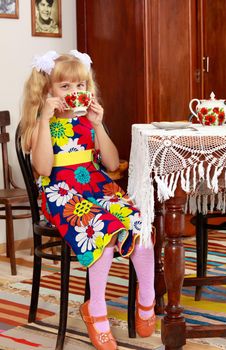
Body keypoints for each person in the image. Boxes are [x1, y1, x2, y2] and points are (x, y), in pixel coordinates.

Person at [20, 50, 155, 350]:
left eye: (80, 86)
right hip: (61, 193)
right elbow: (42, 168)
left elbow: (110, 164)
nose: (74, 93)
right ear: (48, 90)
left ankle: (147, 299)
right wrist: (44, 119)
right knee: (102, 231)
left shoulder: (87, 121)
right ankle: (96, 311)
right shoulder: (40, 125)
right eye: (65, 87)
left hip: (96, 186)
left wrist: (97, 125)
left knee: (139, 224)